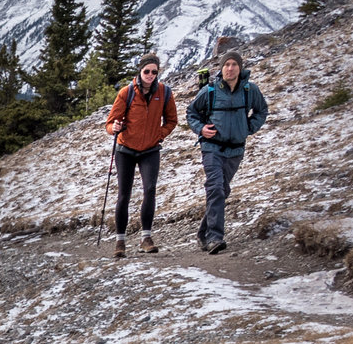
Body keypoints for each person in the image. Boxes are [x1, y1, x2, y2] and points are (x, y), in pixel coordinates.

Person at [185, 49, 267, 254]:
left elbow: (262, 110)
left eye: (234, 64)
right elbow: (191, 112)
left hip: (236, 150)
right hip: (212, 148)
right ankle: (214, 237)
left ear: (240, 68)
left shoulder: (250, 90)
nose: (230, 68)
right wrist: (201, 129)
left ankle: (203, 233)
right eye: (226, 65)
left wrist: (248, 128)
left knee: (223, 190)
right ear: (221, 69)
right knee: (216, 189)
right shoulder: (210, 91)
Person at [103, 53, 178, 258]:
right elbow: (110, 124)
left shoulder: (164, 93)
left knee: (150, 190)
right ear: (140, 71)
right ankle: (120, 241)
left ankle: (146, 238)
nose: (151, 75)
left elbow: (172, 120)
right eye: (147, 71)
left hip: (150, 150)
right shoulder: (126, 93)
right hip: (125, 149)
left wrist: (159, 135)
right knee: (124, 195)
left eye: (155, 71)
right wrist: (114, 127)